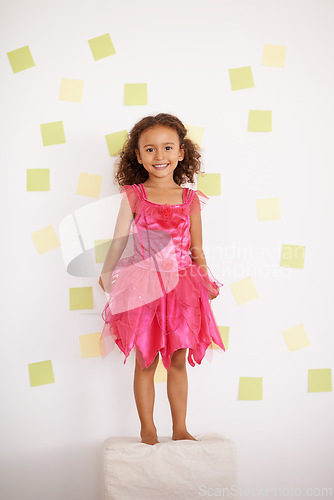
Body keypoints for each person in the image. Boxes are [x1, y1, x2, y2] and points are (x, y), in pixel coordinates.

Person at [98, 113, 225, 446]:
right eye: (150, 150)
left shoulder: (190, 199)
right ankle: (148, 429)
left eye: (167, 148)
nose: (159, 156)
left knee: (178, 358)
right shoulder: (135, 194)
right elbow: (120, 238)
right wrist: (107, 270)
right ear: (138, 157)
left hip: (183, 288)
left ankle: (180, 427)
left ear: (181, 152)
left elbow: (197, 247)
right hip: (145, 288)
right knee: (146, 358)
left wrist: (205, 279)